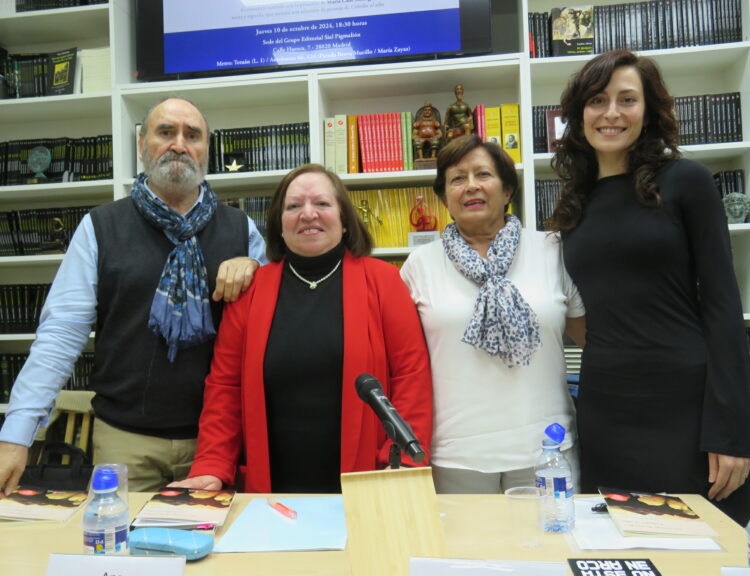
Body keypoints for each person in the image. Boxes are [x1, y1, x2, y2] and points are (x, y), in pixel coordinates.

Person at [0, 97, 268, 494]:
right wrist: (16, 435)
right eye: (166, 132)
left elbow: (266, 330)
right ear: (142, 143)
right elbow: (60, 336)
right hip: (124, 440)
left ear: (206, 150)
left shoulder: (241, 230)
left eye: (192, 135)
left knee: (214, 555)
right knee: (119, 552)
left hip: (217, 444)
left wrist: (257, 273)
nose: (179, 144)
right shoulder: (100, 227)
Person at [549, 50, 750, 525]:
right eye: (598, 100)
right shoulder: (572, 204)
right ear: (579, 111)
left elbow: (724, 307)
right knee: (620, 543)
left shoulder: (687, 181)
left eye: (628, 100)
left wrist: (733, 432)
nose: (611, 113)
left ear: (648, 111)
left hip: (685, 404)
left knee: (707, 546)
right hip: (606, 406)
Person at [172, 164, 433, 493]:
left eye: (322, 204)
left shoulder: (383, 281)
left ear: (345, 219)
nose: (308, 214)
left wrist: (402, 465)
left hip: (369, 477)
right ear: (279, 224)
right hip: (272, 483)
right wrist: (212, 464)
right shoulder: (249, 292)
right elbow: (224, 389)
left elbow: (412, 379)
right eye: (294, 206)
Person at [400, 134, 585, 494]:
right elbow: (403, 364)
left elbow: (594, 340)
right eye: (457, 178)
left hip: (547, 451)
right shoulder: (418, 266)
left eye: (483, 174)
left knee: (549, 550)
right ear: (444, 198)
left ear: (507, 190)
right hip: (456, 456)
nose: (471, 186)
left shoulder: (553, 250)